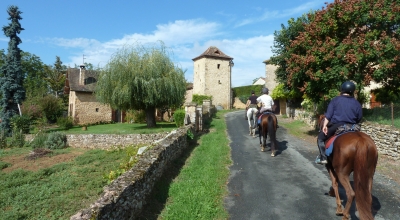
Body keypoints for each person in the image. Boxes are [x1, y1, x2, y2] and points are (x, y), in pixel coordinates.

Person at [315, 81, 362, 165]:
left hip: (338, 126)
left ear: (342, 89)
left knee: (320, 138)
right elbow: (359, 118)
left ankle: (323, 157)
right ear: (352, 90)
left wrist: (324, 126)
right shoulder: (357, 103)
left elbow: (328, 116)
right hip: (353, 127)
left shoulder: (335, 100)